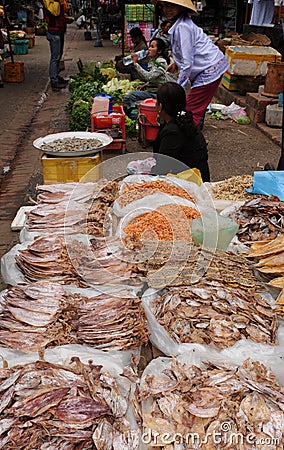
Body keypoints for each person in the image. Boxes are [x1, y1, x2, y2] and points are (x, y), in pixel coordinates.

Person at [159, 0, 229, 129]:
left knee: (190, 112)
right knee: (193, 110)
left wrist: (178, 87)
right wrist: (175, 63)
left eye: (171, 5)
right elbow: (188, 51)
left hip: (209, 70)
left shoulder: (183, 27)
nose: (167, 9)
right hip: (211, 67)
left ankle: (190, 143)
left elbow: (187, 62)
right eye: (165, 5)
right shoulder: (181, 23)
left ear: (181, 7)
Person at [153, 82, 210, 181]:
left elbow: (162, 168)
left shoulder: (172, 132)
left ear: (160, 106)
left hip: (190, 183)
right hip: (196, 177)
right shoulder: (183, 120)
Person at [123, 38, 175, 118]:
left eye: (152, 47)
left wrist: (136, 64)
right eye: (149, 46)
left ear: (159, 51)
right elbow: (155, 78)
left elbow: (149, 76)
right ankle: (135, 113)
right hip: (152, 90)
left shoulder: (161, 62)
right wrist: (146, 85)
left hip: (157, 94)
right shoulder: (152, 61)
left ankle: (136, 116)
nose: (149, 49)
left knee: (129, 97)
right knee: (133, 95)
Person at [43, 0, 70, 89]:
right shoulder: (49, 2)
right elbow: (55, 12)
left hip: (59, 30)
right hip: (54, 31)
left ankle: (56, 76)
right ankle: (53, 80)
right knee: (55, 57)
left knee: (58, 55)